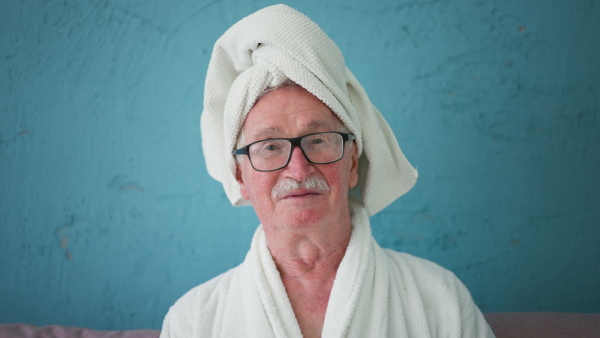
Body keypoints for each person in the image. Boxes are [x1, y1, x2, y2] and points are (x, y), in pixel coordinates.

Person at [160, 4, 494, 338]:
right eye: (271, 147)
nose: (299, 167)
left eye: (318, 140)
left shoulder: (441, 302)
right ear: (240, 177)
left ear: (352, 163)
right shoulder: (194, 321)